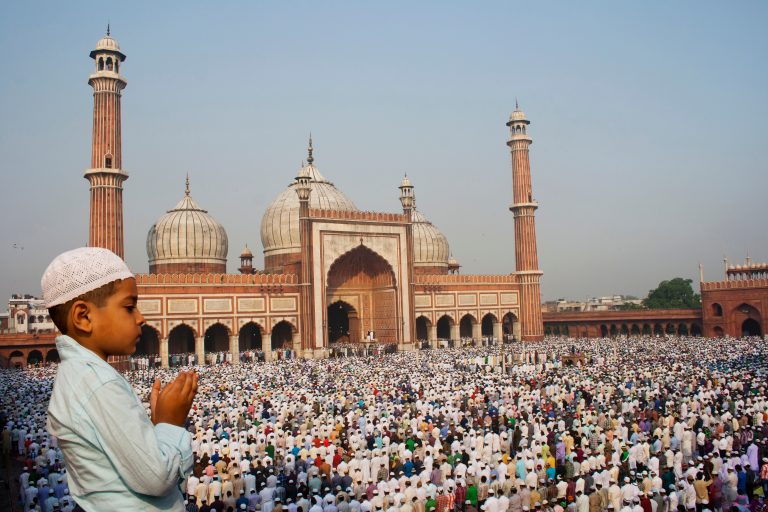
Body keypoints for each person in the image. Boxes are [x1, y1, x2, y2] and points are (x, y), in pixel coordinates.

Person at [42, 247, 199, 510]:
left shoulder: (83, 376)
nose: (140, 317)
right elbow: (157, 477)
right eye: (129, 307)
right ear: (83, 317)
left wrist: (154, 426)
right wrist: (170, 423)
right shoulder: (99, 384)